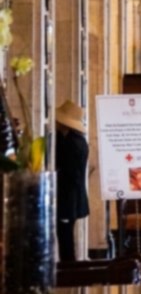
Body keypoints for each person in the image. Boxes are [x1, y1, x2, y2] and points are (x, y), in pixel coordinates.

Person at [55, 99, 89, 261]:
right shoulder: (76, 140)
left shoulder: (71, 143)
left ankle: (69, 270)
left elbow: (70, 174)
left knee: (66, 239)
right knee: (65, 237)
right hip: (71, 198)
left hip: (68, 199)